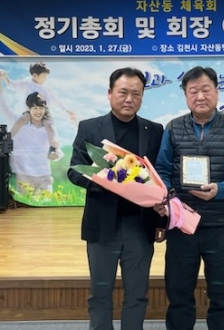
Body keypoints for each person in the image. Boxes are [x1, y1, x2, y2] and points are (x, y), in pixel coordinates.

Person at [155, 66, 224, 330]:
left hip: (220, 225)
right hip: (181, 225)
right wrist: (167, 200)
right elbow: (162, 170)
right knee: (178, 294)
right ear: (186, 95)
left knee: (222, 296)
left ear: (216, 92)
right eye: (193, 91)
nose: (200, 96)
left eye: (205, 89)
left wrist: (220, 190)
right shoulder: (173, 128)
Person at [66, 67, 164, 330]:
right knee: (99, 293)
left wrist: (162, 222)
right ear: (110, 93)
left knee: (137, 293)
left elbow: (161, 177)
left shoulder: (155, 130)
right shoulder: (89, 128)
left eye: (136, 93)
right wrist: (107, 183)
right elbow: (74, 171)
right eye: (123, 92)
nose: (129, 99)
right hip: (102, 225)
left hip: (140, 225)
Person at [0, 62, 77, 160]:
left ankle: (53, 149)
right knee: (20, 121)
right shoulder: (27, 84)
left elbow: (56, 101)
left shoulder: (47, 89)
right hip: (30, 110)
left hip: (44, 112)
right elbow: (12, 84)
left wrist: (66, 111)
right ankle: (7, 141)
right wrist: (4, 77)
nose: (45, 78)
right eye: (43, 76)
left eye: (46, 76)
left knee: (50, 126)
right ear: (35, 75)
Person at [0, 70, 56, 194]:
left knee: (45, 201)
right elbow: (2, 105)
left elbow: (54, 141)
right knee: (24, 201)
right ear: (29, 108)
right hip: (23, 174)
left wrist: (54, 152)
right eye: (35, 108)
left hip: (43, 173)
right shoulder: (19, 120)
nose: (38, 112)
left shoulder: (48, 125)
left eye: (41, 108)